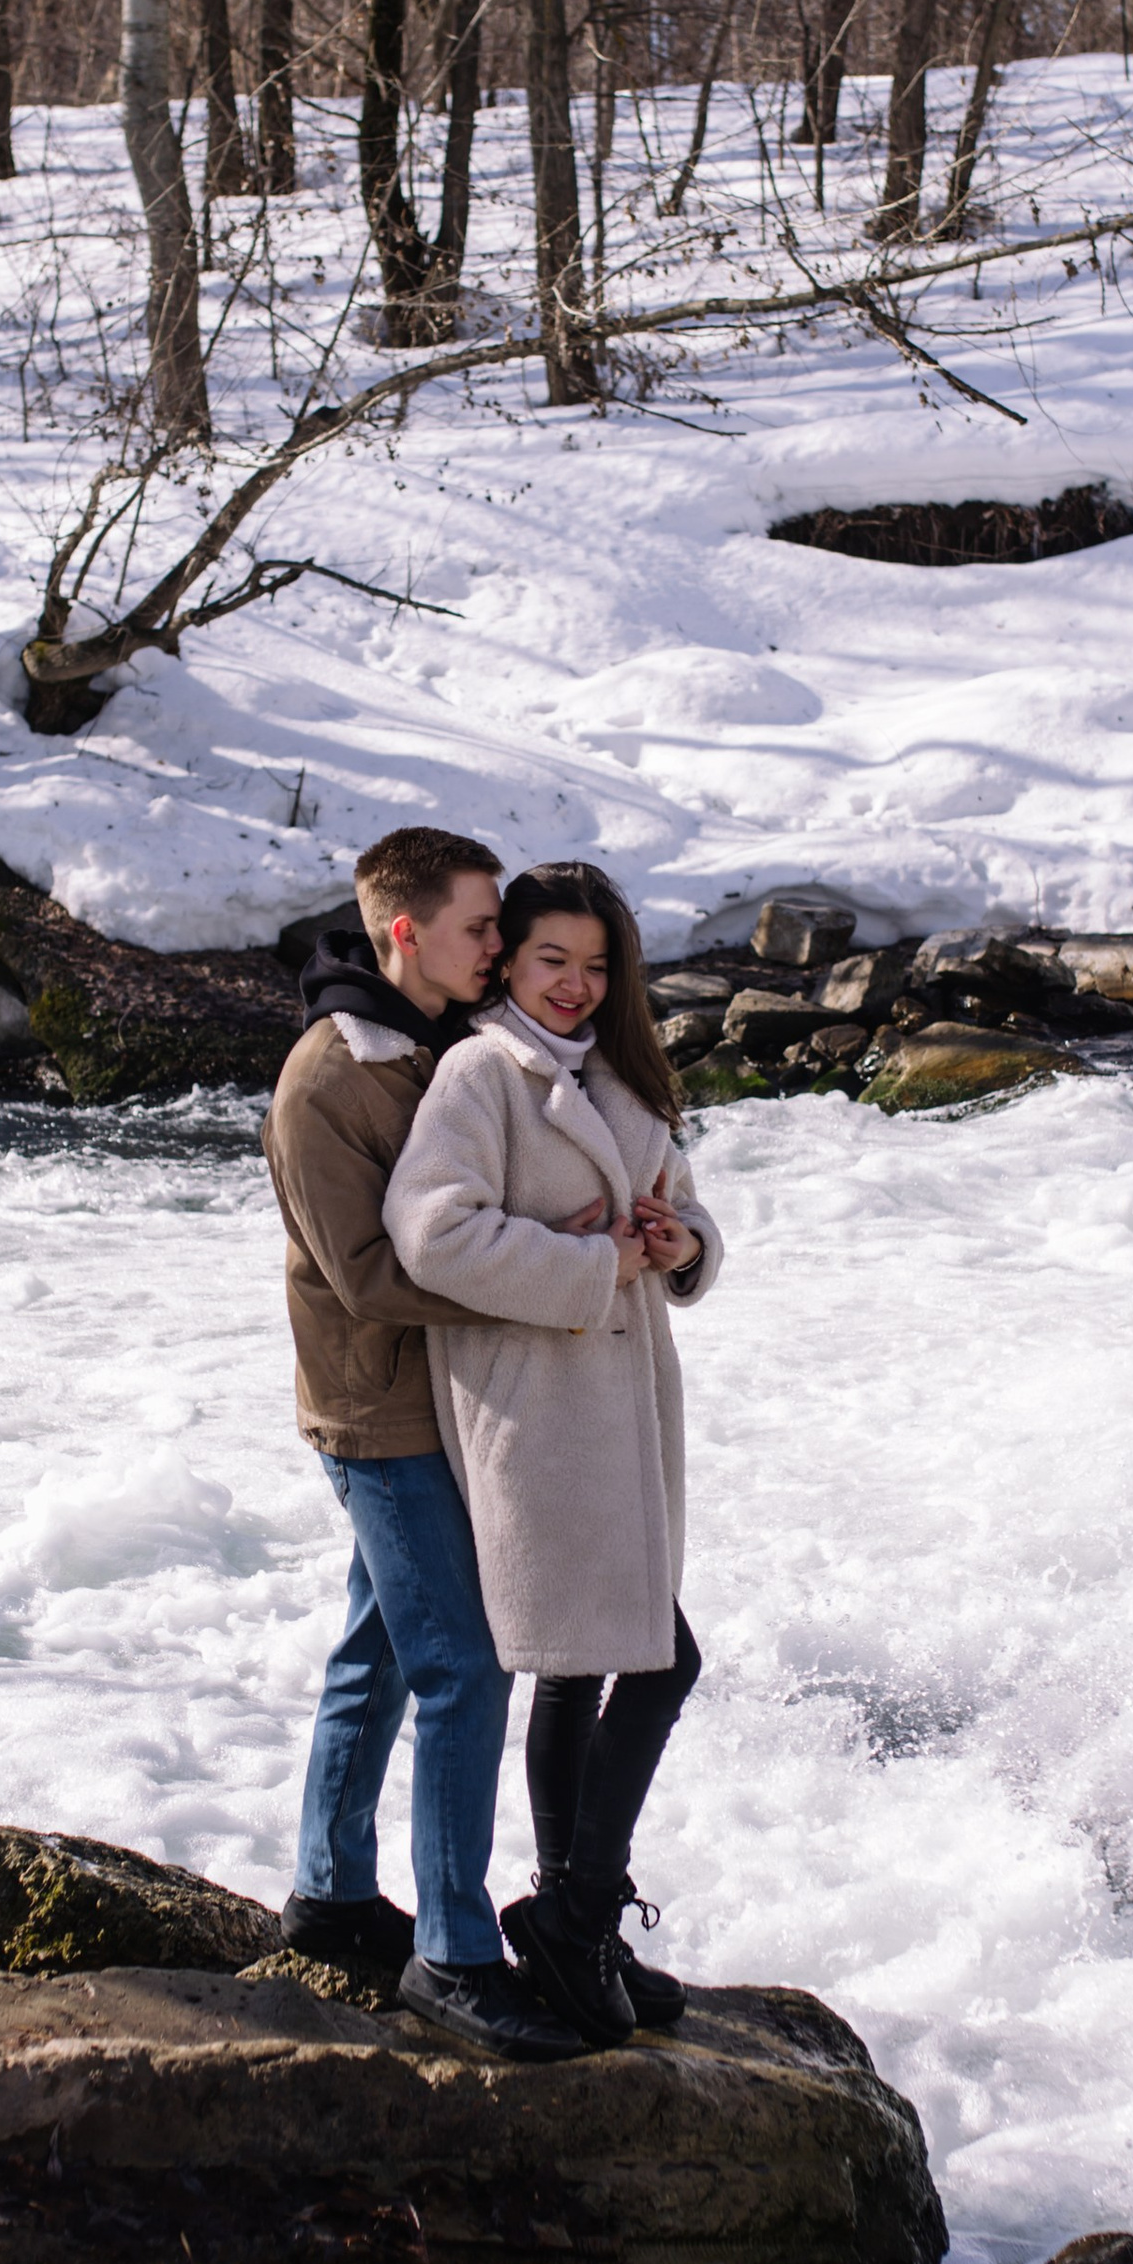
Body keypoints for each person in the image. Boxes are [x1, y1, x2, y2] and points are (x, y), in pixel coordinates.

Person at [382, 859, 722, 2047]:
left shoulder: (620, 1075)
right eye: (549, 961)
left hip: (619, 1404)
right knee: (655, 1661)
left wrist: (680, 1242)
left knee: (591, 1666)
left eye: (594, 964)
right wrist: (593, 1266)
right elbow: (429, 1235)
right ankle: (574, 1911)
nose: (575, 985)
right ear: (510, 963)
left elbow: (676, 1208)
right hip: (540, 1415)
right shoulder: (482, 1074)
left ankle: (572, 1921)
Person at [262, 824, 586, 2062]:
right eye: (479, 929)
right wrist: (560, 1282)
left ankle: (328, 1896)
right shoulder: (327, 1082)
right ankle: (451, 1955)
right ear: (406, 932)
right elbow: (367, 1276)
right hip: (375, 1413)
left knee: (381, 1654)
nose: (497, 948)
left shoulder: (445, 1044)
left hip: (440, 1398)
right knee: (463, 1667)